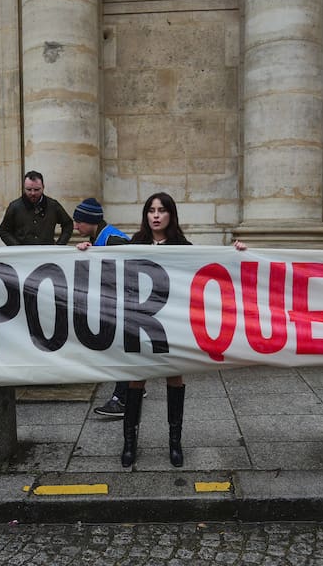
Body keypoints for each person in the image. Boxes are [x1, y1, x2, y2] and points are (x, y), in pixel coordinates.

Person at [120, 192, 194, 468]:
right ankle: (130, 443)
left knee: (174, 378)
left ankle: (175, 443)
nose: (156, 215)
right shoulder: (135, 243)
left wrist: (237, 251)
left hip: (172, 324)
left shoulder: (184, 246)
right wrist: (86, 250)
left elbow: (211, 265)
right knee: (136, 378)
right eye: (151, 210)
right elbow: (108, 266)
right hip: (141, 322)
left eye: (161, 210)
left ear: (171, 215)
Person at [73, 198, 134, 417]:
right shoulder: (100, 238)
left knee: (122, 349)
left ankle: (121, 399)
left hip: (125, 304)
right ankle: (134, 387)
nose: (75, 226)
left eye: (79, 222)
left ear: (91, 221)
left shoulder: (114, 240)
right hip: (117, 303)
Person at [0, 170, 73, 246]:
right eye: (29, 189)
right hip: (23, 255)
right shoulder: (15, 206)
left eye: (37, 190)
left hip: (47, 253)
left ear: (43, 187)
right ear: (24, 188)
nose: (32, 193)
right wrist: (17, 247)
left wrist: (60, 245)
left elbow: (68, 224)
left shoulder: (53, 205)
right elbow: (3, 230)